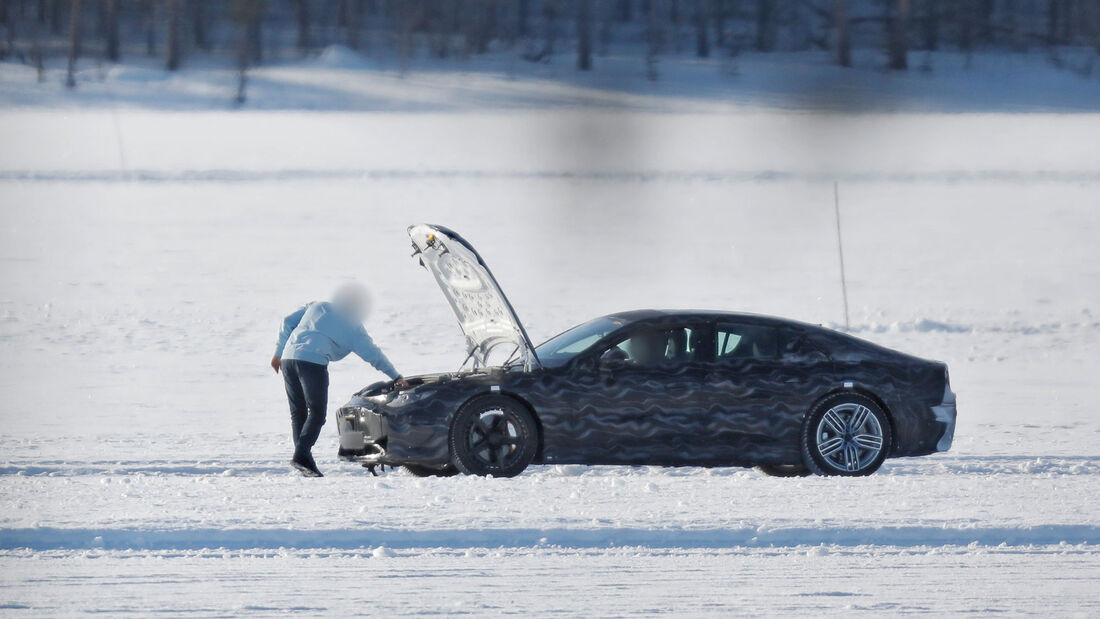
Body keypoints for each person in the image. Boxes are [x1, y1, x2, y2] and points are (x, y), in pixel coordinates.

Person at [271, 283, 406, 477]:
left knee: (298, 412)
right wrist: (396, 377)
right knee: (316, 413)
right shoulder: (352, 325)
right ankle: (301, 455)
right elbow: (373, 355)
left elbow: (287, 322)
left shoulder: (317, 306)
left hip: (288, 359)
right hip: (312, 363)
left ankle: (304, 459)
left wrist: (277, 353)